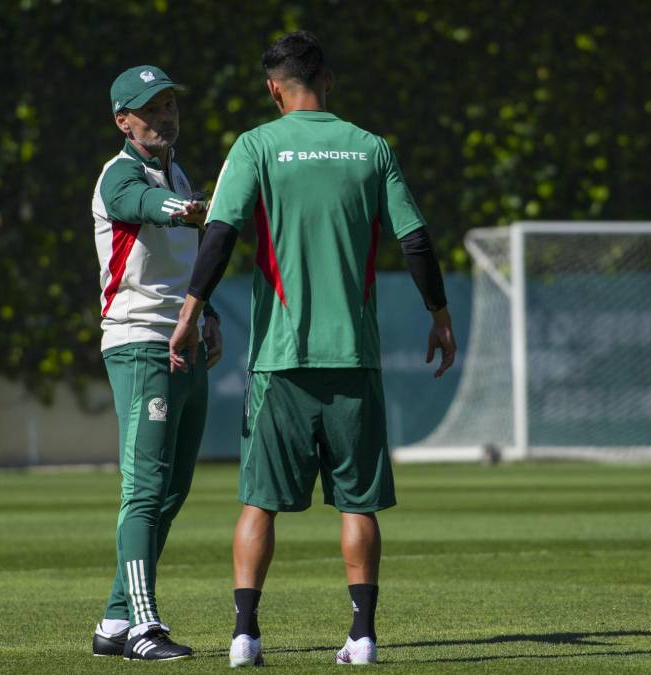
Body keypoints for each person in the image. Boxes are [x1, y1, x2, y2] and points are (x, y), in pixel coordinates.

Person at [169, 31, 457, 667]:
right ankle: (363, 636)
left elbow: (219, 235)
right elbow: (415, 240)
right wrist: (439, 315)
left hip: (280, 361)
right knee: (359, 503)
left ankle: (245, 636)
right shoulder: (371, 148)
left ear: (274, 89)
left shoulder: (255, 146)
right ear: (328, 81)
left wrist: (189, 313)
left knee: (259, 503)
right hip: (354, 359)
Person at [90, 64, 222, 662]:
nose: (164, 117)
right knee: (145, 488)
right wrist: (186, 208)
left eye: (169, 105)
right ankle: (144, 627)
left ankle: (116, 620)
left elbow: (185, 260)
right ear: (124, 121)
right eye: (150, 109)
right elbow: (143, 204)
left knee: (172, 489)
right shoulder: (119, 174)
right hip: (140, 341)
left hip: (182, 340)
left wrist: (207, 313)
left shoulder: (178, 171)